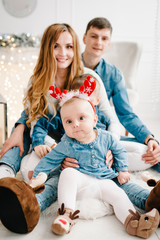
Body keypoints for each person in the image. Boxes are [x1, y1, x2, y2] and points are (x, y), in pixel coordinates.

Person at [0, 23, 120, 210]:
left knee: (63, 173)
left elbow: (109, 116)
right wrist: (56, 150)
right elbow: (33, 119)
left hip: (86, 141)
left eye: (69, 47)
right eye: (56, 46)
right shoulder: (37, 81)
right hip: (52, 143)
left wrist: (108, 145)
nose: (62, 53)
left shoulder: (88, 77)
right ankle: (5, 175)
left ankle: (35, 202)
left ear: (75, 48)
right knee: (25, 156)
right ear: (46, 48)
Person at [30, 87, 159, 238]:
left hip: (106, 181)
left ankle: (133, 222)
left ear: (94, 119)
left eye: (81, 118)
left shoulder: (107, 137)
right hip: (82, 182)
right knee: (67, 173)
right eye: (69, 121)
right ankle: (67, 215)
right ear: (63, 126)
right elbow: (49, 160)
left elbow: (120, 152)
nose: (75, 124)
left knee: (119, 195)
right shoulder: (66, 143)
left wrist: (123, 170)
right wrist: (38, 175)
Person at [80, 17, 160, 171]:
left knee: (151, 150)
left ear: (109, 44)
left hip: (105, 133)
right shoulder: (69, 67)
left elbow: (126, 114)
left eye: (104, 38)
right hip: (74, 134)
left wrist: (149, 138)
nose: (99, 42)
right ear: (84, 38)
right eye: (94, 36)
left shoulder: (114, 74)